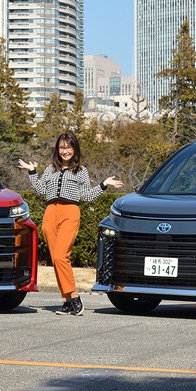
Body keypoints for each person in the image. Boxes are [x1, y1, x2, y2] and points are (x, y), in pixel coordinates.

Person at [18, 131, 123, 316]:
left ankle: (74, 298)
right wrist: (32, 172)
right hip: (50, 213)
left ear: (75, 149)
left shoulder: (81, 171)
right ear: (57, 149)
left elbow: (86, 196)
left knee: (60, 256)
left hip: (70, 211)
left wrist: (103, 185)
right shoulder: (50, 169)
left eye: (68, 147)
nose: (65, 151)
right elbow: (41, 191)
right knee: (56, 259)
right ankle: (67, 301)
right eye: (62, 147)